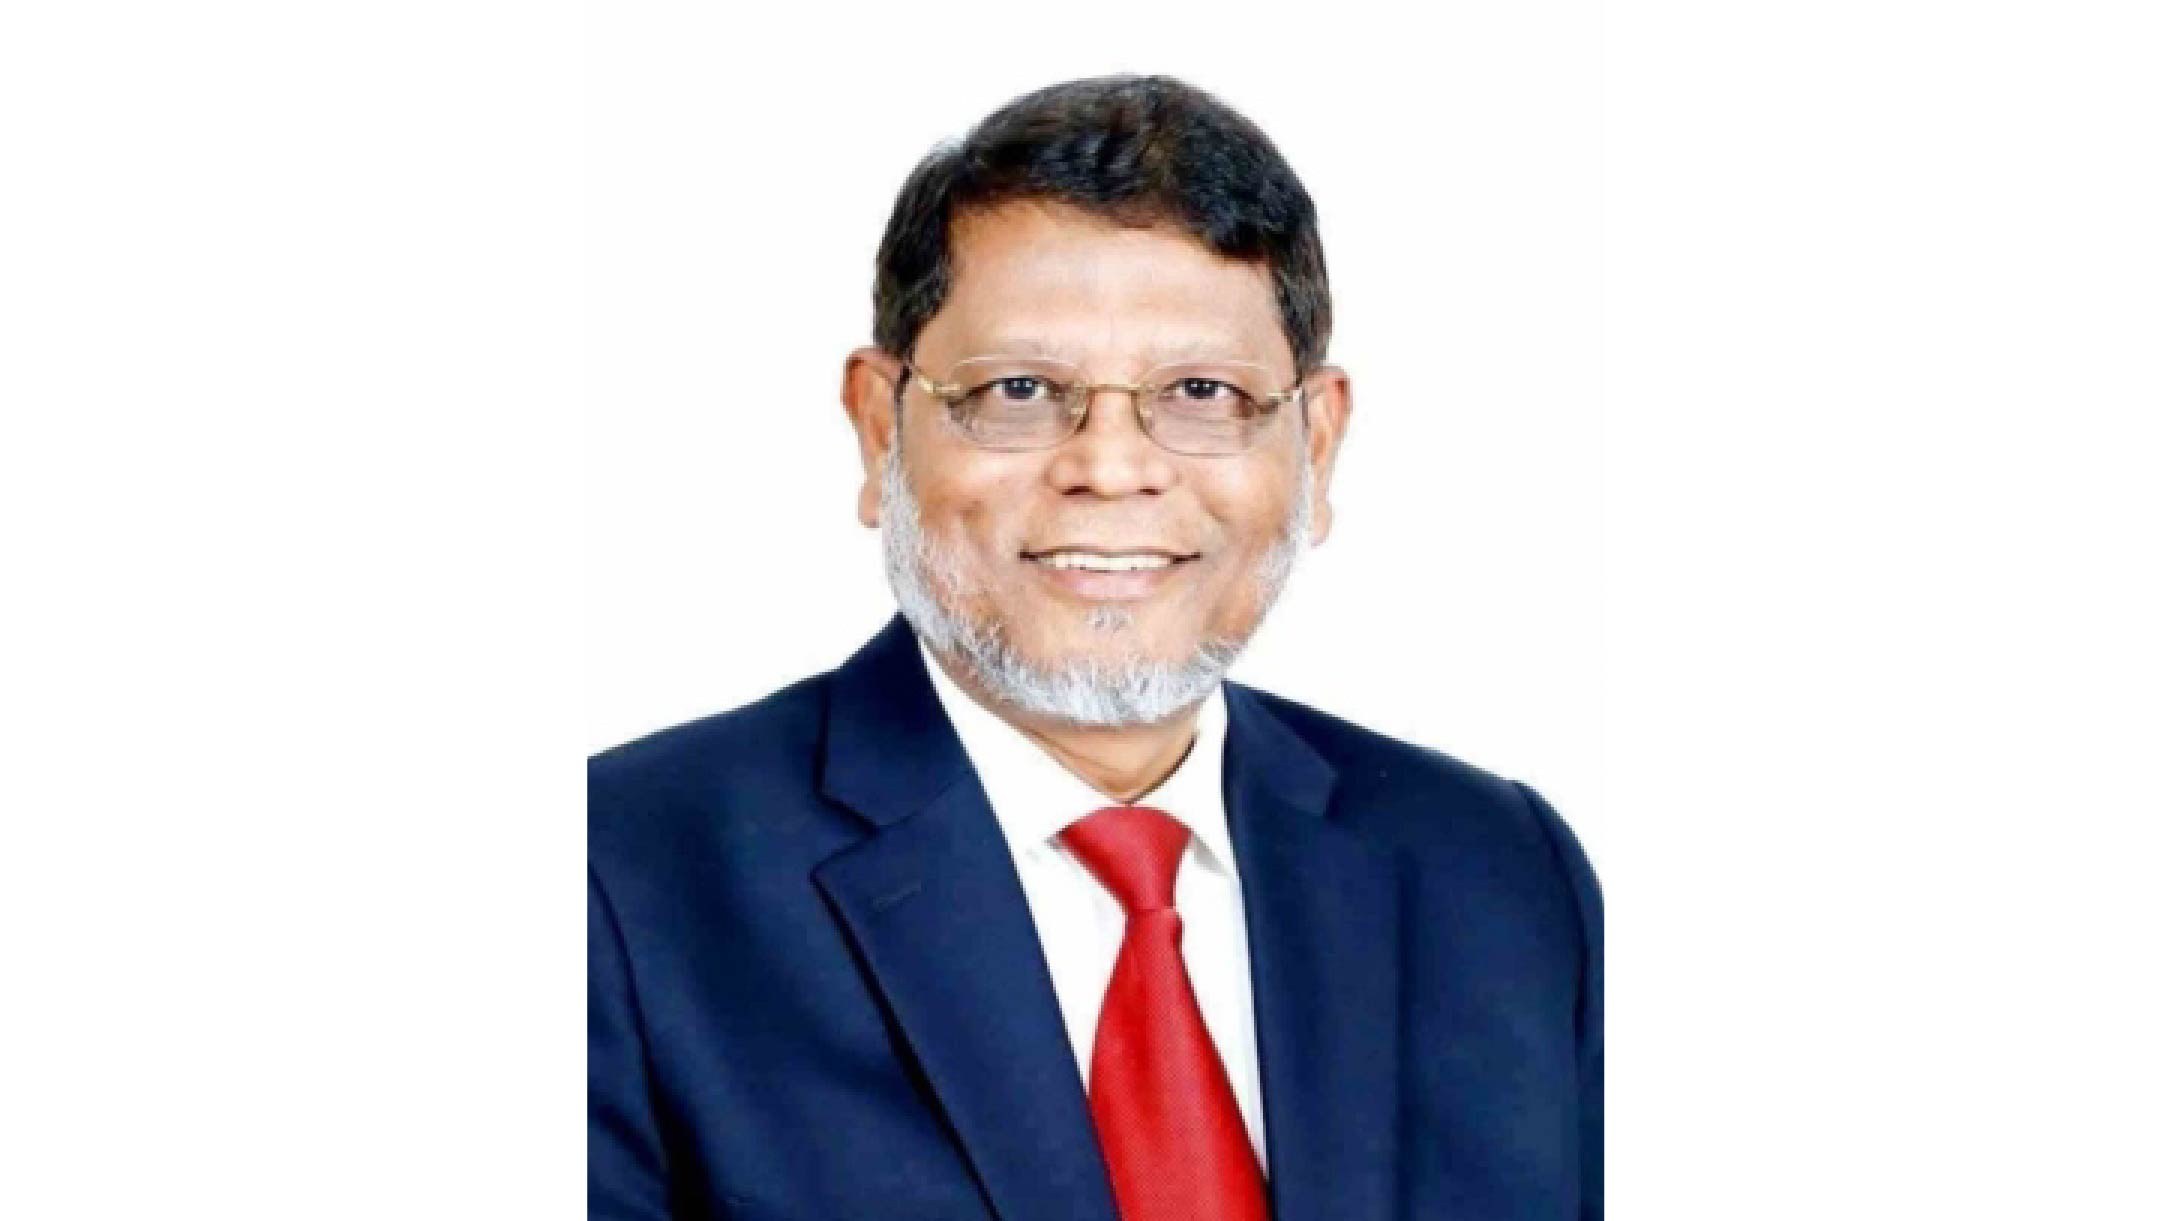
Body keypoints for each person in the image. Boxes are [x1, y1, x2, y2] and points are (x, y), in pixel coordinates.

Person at [590, 74, 1601, 1221]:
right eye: (1019, 389)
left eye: (1202, 391)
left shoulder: (1499, 871)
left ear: (1317, 443)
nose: (1112, 468)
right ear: (880, 429)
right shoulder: (615, 880)